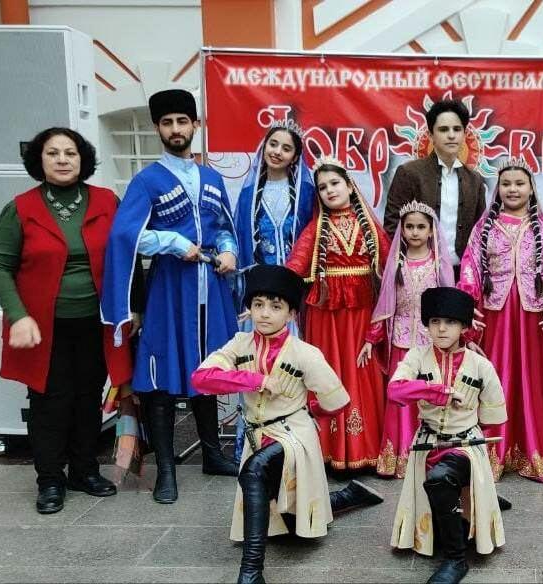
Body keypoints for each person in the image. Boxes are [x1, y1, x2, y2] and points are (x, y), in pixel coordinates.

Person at [190, 264, 384, 584]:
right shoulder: (239, 344)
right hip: (257, 434)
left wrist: (310, 414)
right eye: (258, 305)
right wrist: (256, 380)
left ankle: (251, 572)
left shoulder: (306, 353)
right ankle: (349, 496)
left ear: (292, 314)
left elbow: (339, 401)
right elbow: (201, 379)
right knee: (291, 520)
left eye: (276, 306)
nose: (265, 313)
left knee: (253, 472)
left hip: (293, 435)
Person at [102, 89, 240, 504]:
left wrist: (229, 249)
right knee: (160, 375)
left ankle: (212, 455)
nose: (176, 129)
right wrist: (172, 242)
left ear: (195, 125)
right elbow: (126, 235)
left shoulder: (212, 178)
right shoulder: (147, 180)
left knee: (208, 369)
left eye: (182, 121)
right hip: (169, 289)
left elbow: (223, 227)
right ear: (157, 128)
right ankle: (166, 470)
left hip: (210, 287)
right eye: (167, 122)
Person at [0, 128, 133, 514]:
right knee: (50, 402)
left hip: (96, 322)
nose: (63, 159)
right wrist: (17, 315)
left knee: (88, 397)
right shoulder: (20, 209)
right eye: (53, 153)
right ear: (40, 160)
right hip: (42, 326)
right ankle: (50, 479)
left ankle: (84, 471)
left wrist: (132, 308)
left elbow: (128, 255)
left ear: (83, 158)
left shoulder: (107, 201)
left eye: (70, 152)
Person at [458, 159, 543, 481]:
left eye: (519, 183)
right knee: (497, 376)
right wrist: (466, 302)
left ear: (531, 187)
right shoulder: (484, 228)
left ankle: (536, 447)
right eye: (506, 184)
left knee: (533, 380)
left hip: (534, 316)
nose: (513, 189)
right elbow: (470, 266)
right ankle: (494, 449)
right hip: (496, 316)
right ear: (498, 189)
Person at [388, 287, 508, 584]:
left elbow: (493, 420)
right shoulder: (416, 357)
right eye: (435, 321)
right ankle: (467, 506)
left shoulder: (481, 366)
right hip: (426, 444)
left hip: (465, 445)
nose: (441, 329)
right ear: (427, 325)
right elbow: (395, 391)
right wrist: (439, 392)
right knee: (439, 486)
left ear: (464, 327)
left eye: (451, 322)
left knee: (441, 478)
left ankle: (456, 560)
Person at [286, 157, 389, 471]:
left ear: (350, 186)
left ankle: (364, 449)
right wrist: (272, 296)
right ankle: (329, 451)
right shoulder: (315, 229)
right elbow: (295, 267)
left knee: (362, 373)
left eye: (335, 183)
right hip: (326, 316)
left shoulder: (371, 228)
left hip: (363, 314)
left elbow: (390, 268)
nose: (330, 190)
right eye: (322, 187)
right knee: (328, 372)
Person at [363, 200, 455, 478]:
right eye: (409, 227)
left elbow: (449, 301)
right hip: (401, 341)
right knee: (402, 399)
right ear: (402, 230)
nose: (415, 232)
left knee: (428, 397)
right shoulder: (396, 263)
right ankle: (400, 457)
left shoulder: (439, 263)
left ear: (431, 230)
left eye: (421, 227)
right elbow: (385, 306)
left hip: (430, 341)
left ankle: (433, 456)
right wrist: (371, 339)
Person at [383, 99, 487, 273]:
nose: (451, 135)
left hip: (462, 274)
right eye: (443, 129)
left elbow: (480, 230)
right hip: (419, 272)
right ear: (431, 135)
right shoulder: (409, 173)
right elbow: (392, 225)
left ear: (464, 134)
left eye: (457, 129)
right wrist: (407, 267)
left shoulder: (474, 180)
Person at [233, 120, 315, 275]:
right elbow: (241, 238)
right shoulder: (248, 195)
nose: (277, 152)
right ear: (264, 147)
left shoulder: (306, 193)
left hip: (297, 279)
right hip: (261, 279)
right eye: (273, 144)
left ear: (295, 157)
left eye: (286, 149)